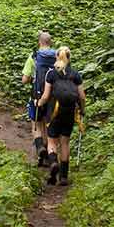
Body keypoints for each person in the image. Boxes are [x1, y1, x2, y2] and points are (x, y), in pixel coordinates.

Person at [37, 46, 85, 186]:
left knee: (52, 141)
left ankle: (53, 163)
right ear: (69, 58)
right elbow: (82, 96)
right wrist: (82, 110)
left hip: (54, 112)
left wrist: (39, 103)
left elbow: (46, 96)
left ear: (57, 57)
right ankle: (63, 177)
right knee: (65, 142)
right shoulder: (75, 74)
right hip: (69, 112)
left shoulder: (51, 74)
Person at [22, 32, 56, 166]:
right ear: (50, 43)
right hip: (53, 96)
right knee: (47, 125)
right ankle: (48, 156)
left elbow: (24, 80)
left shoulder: (34, 57)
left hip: (36, 95)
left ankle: (40, 148)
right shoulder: (57, 56)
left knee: (36, 124)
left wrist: (32, 78)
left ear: (39, 42)